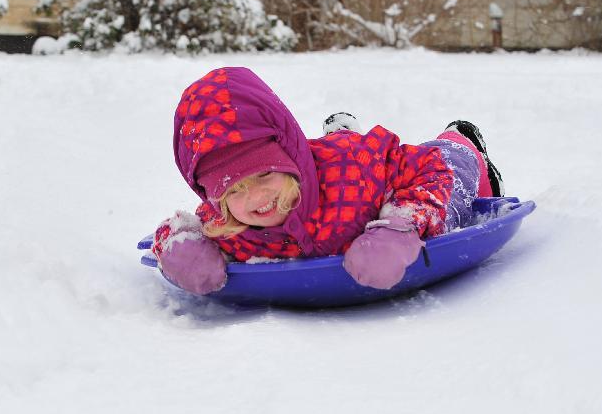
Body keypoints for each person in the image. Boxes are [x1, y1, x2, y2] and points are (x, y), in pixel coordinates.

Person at [152, 67, 505, 295]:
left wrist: (401, 225)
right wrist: (184, 251)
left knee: (455, 169)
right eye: (234, 189)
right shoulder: (226, 222)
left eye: (263, 174)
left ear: (286, 157)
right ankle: (339, 131)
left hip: (367, 166)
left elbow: (431, 169)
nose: (256, 196)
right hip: (330, 159)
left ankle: (460, 138)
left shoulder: (354, 169)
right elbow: (176, 230)